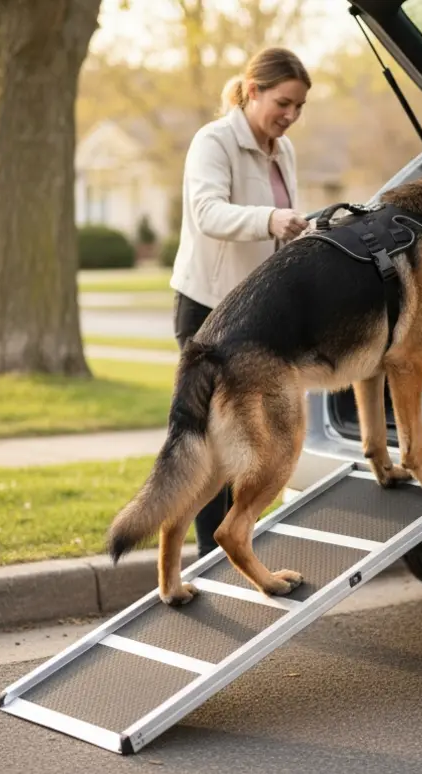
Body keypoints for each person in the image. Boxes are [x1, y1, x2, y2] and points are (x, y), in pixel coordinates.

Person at [169, 46, 312, 557]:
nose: (290, 116)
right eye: (283, 103)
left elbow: (278, 229)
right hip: (207, 308)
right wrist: (269, 219)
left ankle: (235, 545)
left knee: (247, 439)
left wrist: (300, 230)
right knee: (211, 443)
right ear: (253, 91)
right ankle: (210, 557)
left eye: (298, 107)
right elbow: (208, 212)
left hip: (255, 312)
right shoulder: (214, 142)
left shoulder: (283, 150)